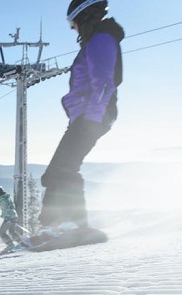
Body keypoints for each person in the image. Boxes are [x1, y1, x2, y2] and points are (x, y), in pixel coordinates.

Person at [39, 0, 124, 231]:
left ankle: (74, 227)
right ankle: (51, 227)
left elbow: (105, 84)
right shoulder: (95, 41)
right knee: (56, 172)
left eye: (73, 22)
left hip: (93, 116)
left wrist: (91, 119)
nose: (72, 28)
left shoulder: (101, 40)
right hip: (86, 117)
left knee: (63, 169)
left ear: (85, 17)